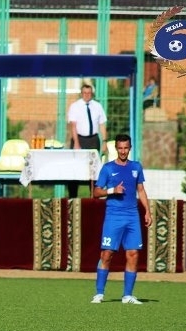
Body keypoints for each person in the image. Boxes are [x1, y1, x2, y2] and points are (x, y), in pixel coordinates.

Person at [90, 133, 151, 305]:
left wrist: (147, 211)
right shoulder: (108, 168)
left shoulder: (136, 167)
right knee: (107, 254)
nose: (123, 151)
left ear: (130, 148)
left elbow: (141, 190)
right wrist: (112, 190)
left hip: (132, 216)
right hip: (114, 216)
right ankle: (99, 293)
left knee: (133, 254)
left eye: (126, 148)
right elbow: (96, 192)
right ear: (116, 148)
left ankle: (127, 295)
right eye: (120, 148)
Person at [67, 83, 107, 198]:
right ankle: (73, 197)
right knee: (75, 169)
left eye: (89, 93)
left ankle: (94, 196)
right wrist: (76, 143)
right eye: (84, 93)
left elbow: (102, 125)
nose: (87, 95)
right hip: (79, 139)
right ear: (81, 93)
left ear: (92, 94)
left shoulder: (97, 106)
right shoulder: (75, 106)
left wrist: (104, 141)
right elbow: (73, 126)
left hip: (93, 140)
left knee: (93, 169)